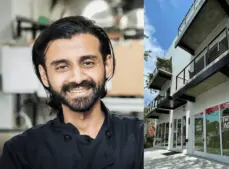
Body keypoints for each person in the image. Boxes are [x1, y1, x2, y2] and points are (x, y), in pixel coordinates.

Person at [0, 16, 144, 169]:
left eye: (87, 63)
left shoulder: (140, 138)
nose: (77, 78)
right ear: (44, 76)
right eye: (62, 67)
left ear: (107, 65)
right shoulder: (21, 152)